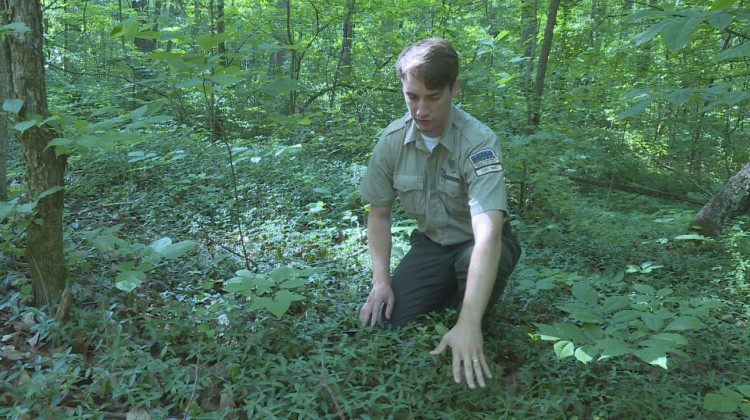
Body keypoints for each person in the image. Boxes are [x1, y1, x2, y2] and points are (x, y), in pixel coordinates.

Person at [358, 38, 521, 390]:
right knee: (390, 321)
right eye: (412, 97)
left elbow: (488, 233)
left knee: (466, 310)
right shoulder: (392, 141)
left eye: (433, 97)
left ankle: (470, 312)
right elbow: (380, 214)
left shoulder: (478, 142)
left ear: (454, 88)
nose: (421, 111)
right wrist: (381, 282)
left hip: (477, 243)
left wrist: (470, 321)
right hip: (432, 245)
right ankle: (453, 296)